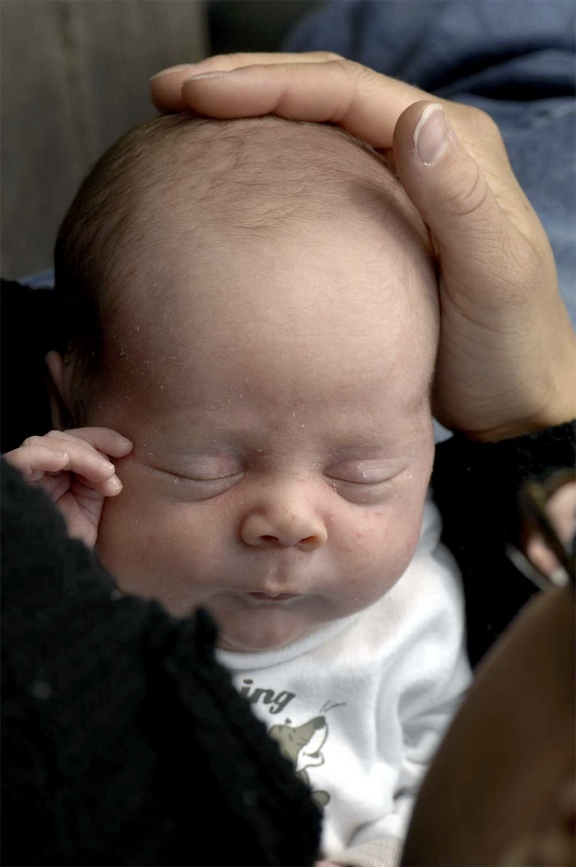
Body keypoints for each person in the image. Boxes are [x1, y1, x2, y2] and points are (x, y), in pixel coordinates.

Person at [2, 20, 575, 867]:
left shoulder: (416, 614)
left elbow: (448, 778)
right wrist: (25, 541)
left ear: (431, 441)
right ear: (68, 415)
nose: (289, 520)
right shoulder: (75, 588)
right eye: (205, 467)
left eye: (364, 471)